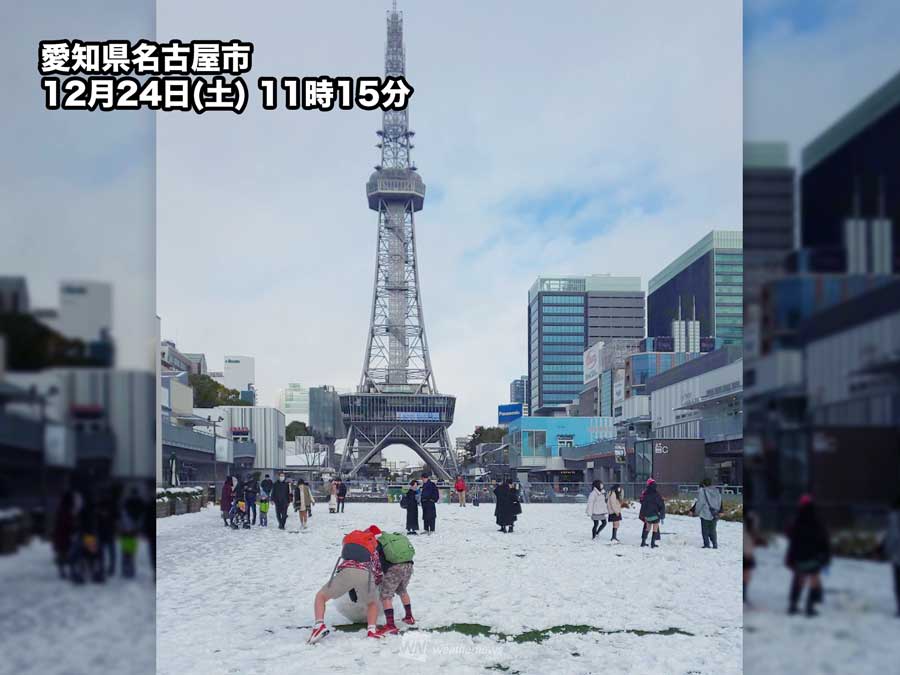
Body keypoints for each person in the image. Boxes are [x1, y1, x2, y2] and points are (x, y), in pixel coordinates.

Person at [308, 525, 385, 643]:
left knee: (321, 596)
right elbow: (378, 570)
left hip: (347, 572)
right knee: (372, 603)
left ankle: (319, 626)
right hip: (367, 574)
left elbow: (344, 560)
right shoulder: (373, 549)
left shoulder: (354, 545)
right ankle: (372, 630)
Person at [785, 494, 831, 617]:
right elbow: (824, 540)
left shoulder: (797, 521)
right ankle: (810, 607)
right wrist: (825, 557)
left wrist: (790, 559)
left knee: (799, 580)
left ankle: (793, 605)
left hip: (799, 556)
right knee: (814, 580)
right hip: (813, 557)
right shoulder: (818, 522)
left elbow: (791, 538)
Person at [374, 531, 416, 636]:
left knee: (385, 596)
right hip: (408, 565)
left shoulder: (378, 543)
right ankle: (409, 617)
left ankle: (390, 625)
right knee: (402, 590)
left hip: (395, 568)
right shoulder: (392, 539)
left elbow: (376, 562)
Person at [691, 478, 724, 549]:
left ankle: (706, 544)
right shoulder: (716, 491)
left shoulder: (702, 491)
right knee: (713, 529)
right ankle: (715, 544)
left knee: (705, 530)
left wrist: (696, 512)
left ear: (703, 484)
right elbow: (720, 501)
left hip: (705, 513)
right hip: (715, 513)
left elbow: (700, 503)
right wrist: (721, 511)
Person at [120, 488, 144, 579]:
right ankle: (130, 570)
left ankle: (126, 570)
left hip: (126, 530)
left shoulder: (127, 503)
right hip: (133, 530)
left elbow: (123, 515)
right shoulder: (139, 503)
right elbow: (141, 517)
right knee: (131, 551)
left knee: (126, 551)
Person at [52, 491, 76, 579]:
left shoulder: (63, 509)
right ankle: (66, 571)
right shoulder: (66, 510)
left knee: (63, 553)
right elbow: (66, 523)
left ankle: (64, 571)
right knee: (65, 554)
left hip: (62, 535)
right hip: (64, 536)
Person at [884, 496, 900, 617]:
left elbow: (892, 536)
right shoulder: (893, 518)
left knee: (898, 583)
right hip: (896, 555)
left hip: (896, 555)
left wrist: (887, 550)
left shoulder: (893, 518)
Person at [639, 478, 665, 549]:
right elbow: (661, 504)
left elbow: (642, 503)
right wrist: (662, 514)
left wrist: (643, 515)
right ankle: (653, 543)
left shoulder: (645, 494)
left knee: (647, 527)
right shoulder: (657, 494)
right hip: (655, 514)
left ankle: (643, 542)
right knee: (655, 528)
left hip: (647, 515)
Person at [744, 512, 760, 605]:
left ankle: (744, 595)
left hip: (748, 552)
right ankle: (744, 596)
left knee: (746, 575)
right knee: (746, 575)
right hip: (747, 553)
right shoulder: (752, 521)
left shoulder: (753, 520)